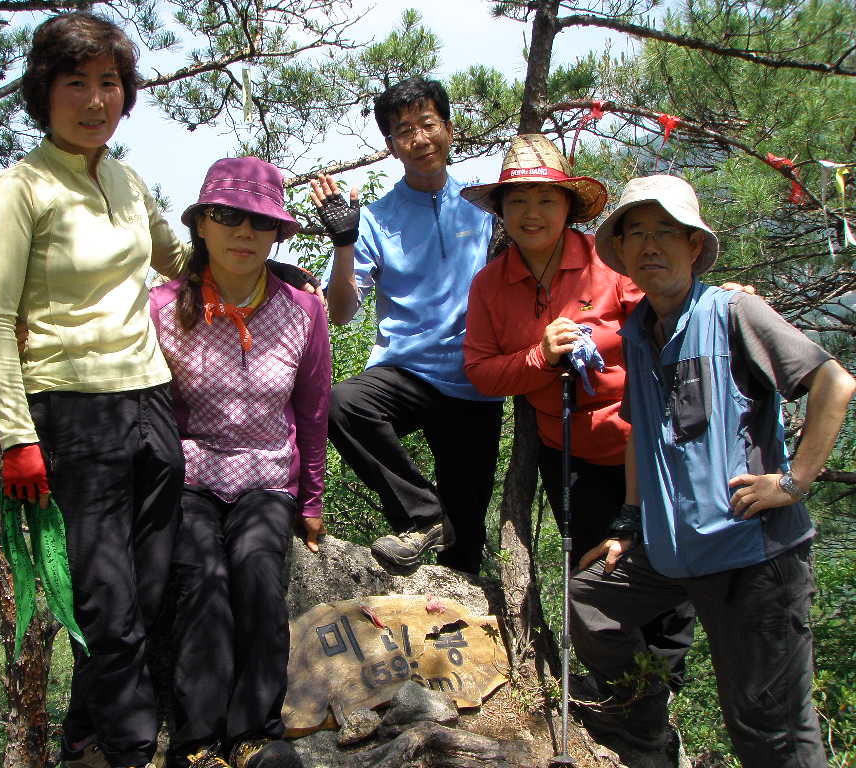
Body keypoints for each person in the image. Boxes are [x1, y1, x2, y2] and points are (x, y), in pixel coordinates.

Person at [570, 174, 854, 765]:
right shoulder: (637, 332)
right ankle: (645, 723)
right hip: (675, 551)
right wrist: (627, 524)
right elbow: (640, 434)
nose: (650, 246)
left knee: (767, 728)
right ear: (620, 253)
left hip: (754, 557)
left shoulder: (733, 311)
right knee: (590, 601)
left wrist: (793, 482)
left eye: (666, 233)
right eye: (636, 234)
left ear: (694, 245)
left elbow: (833, 382)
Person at [0, 13, 186, 768]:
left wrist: (246, 252)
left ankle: (82, 738)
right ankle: (131, 749)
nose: (96, 100)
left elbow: (174, 253)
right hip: (69, 410)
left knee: (149, 585)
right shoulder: (20, 189)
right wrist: (15, 436)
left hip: (151, 398)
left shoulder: (126, 178)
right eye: (77, 83)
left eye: (109, 83)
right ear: (45, 92)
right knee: (106, 600)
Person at [461, 135, 695, 693]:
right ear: (501, 211)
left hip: (647, 442)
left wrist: (715, 299)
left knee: (666, 563)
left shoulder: (607, 263)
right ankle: (618, 686)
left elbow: (664, 315)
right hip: (570, 453)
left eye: (545, 199)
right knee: (596, 571)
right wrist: (540, 357)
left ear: (568, 206)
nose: (531, 213)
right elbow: (483, 372)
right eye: (516, 201)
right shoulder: (491, 285)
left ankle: (661, 689)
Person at [150, 157, 330, 768]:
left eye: (259, 222)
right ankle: (197, 741)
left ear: (277, 233)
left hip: (266, 474)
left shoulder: (303, 310)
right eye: (227, 217)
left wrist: (310, 501)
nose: (243, 233)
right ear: (201, 224)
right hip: (190, 473)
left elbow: (312, 411)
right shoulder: (163, 309)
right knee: (200, 574)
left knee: (255, 568)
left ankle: (255, 731)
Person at [309, 76, 503, 574]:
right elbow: (342, 312)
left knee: (465, 544)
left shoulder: (487, 204)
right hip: (407, 373)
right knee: (343, 404)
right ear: (390, 145)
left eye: (427, 124)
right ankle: (423, 513)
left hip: (475, 381)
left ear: (449, 129)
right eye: (403, 131)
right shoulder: (377, 218)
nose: (419, 139)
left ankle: (450, 571)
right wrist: (344, 242)